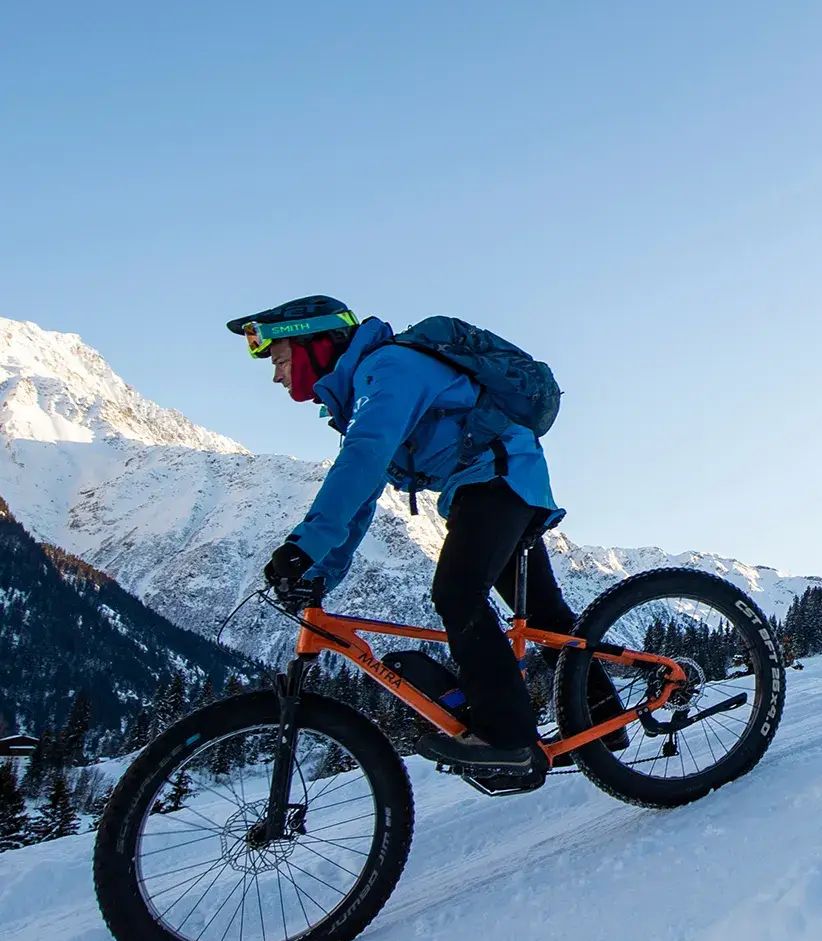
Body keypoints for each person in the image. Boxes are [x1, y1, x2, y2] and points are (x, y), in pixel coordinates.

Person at [227, 295, 623, 773]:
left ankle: (507, 737)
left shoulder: (389, 368)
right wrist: (320, 571)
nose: (276, 374)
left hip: (498, 481)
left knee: (457, 594)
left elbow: (364, 456)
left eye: (280, 358)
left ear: (316, 342)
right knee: (544, 615)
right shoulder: (366, 388)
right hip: (487, 488)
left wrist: (301, 545)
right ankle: (604, 722)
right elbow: (363, 496)